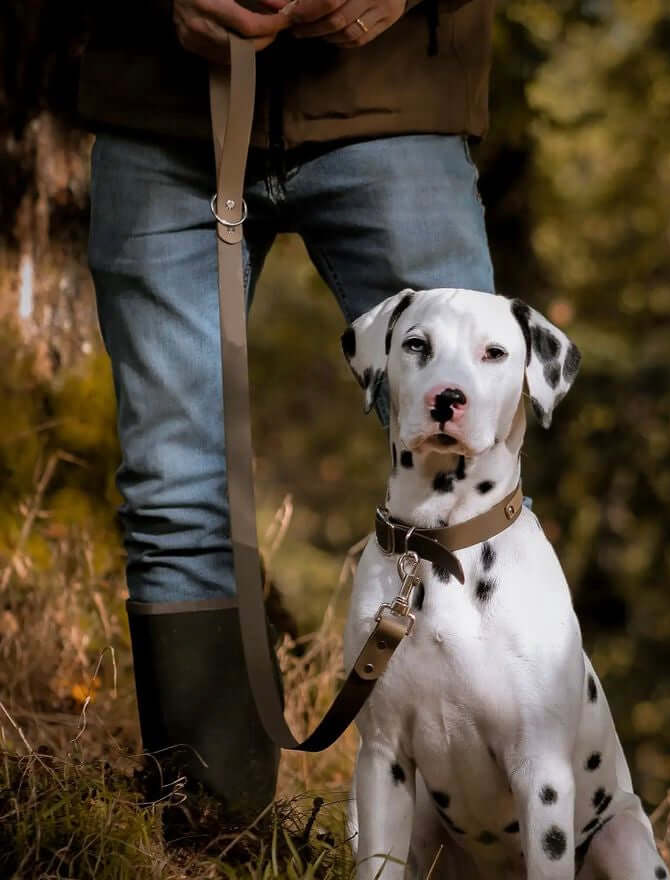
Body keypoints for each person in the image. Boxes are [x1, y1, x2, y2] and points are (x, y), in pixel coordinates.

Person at [80, 0, 496, 817]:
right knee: (171, 489)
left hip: (398, 96)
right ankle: (210, 841)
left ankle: (485, 855)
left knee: (474, 488)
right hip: (158, 100)